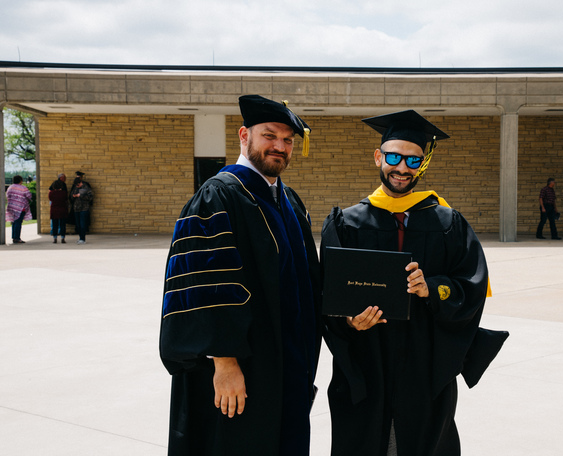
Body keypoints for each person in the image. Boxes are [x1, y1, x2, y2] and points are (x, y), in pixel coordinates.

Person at [320, 110, 507, 456]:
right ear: (378, 157)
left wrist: (433, 288)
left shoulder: (449, 223)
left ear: (423, 163)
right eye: (394, 157)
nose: (402, 168)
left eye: (413, 160)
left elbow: (472, 287)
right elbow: (326, 294)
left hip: (423, 363)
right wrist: (347, 321)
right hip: (366, 362)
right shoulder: (346, 223)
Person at [159, 95, 321, 456]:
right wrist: (224, 363)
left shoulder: (289, 201)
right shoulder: (218, 196)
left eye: (288, 140)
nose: (280, 146)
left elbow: (308, 282)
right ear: (244, 135)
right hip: (241, 371)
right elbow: (204, 286)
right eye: (269, 135)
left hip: (287, 367)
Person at [5, 175, 32, 244]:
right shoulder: (23, 188)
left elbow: (7, 196)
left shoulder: (10, 187)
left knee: (14, 222)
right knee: (18, 223)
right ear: (20, 181)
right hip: (20, 208)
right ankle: (17, 238)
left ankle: (14, 237)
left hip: (11, 207)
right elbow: (29, 195)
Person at [70, 177, 94, 244]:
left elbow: (90, 197)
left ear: (81, 182)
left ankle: (83, 239)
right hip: (76, 208)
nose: (77, 186)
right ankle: (80, 238)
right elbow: (71, 196)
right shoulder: (75, 188)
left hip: (84, 208)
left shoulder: (86, 188)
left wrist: (80, 196)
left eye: (78, 185)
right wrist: (73, 196)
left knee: (82, 224)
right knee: (78, 225)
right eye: (76, 185)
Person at [49, 173, 69, 244]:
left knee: (55, 224)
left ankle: (55, 238)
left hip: (54, 209)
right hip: (62, 209)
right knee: (62, 224)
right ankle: (63, 238)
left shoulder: (51, 193)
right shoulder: (64, 193)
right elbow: (66, 199)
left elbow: (50, 199)